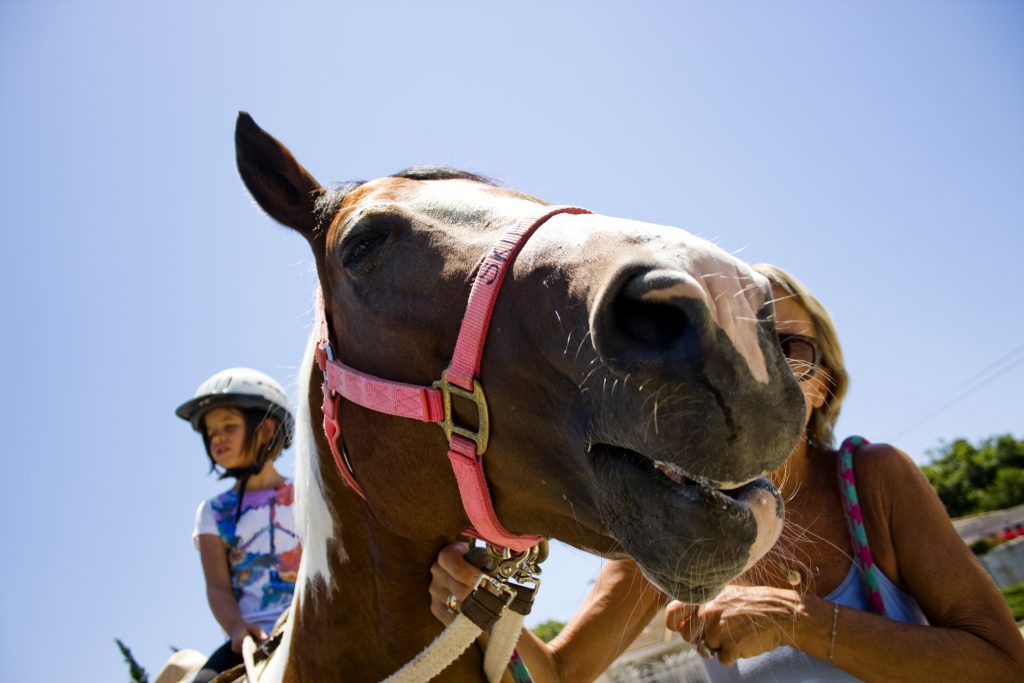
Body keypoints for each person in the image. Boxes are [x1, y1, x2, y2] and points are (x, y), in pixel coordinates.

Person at [428, 264, 1024, 682]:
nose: (764, 361)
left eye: (788, 344)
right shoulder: (667, 518)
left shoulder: (872, 480)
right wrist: (486, 609)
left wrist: (797, 621)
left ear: (824, 385)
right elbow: (557, 675)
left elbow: (1002, 665)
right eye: (739, 340)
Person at [176, 367, 302, 683]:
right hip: (249, 636)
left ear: (267, 429)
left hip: (313, 621)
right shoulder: (213, 512)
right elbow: (217, 585)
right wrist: (235, 626)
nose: (216, 436)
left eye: (228, 426)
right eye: (210, 431)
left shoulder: (308, 493)